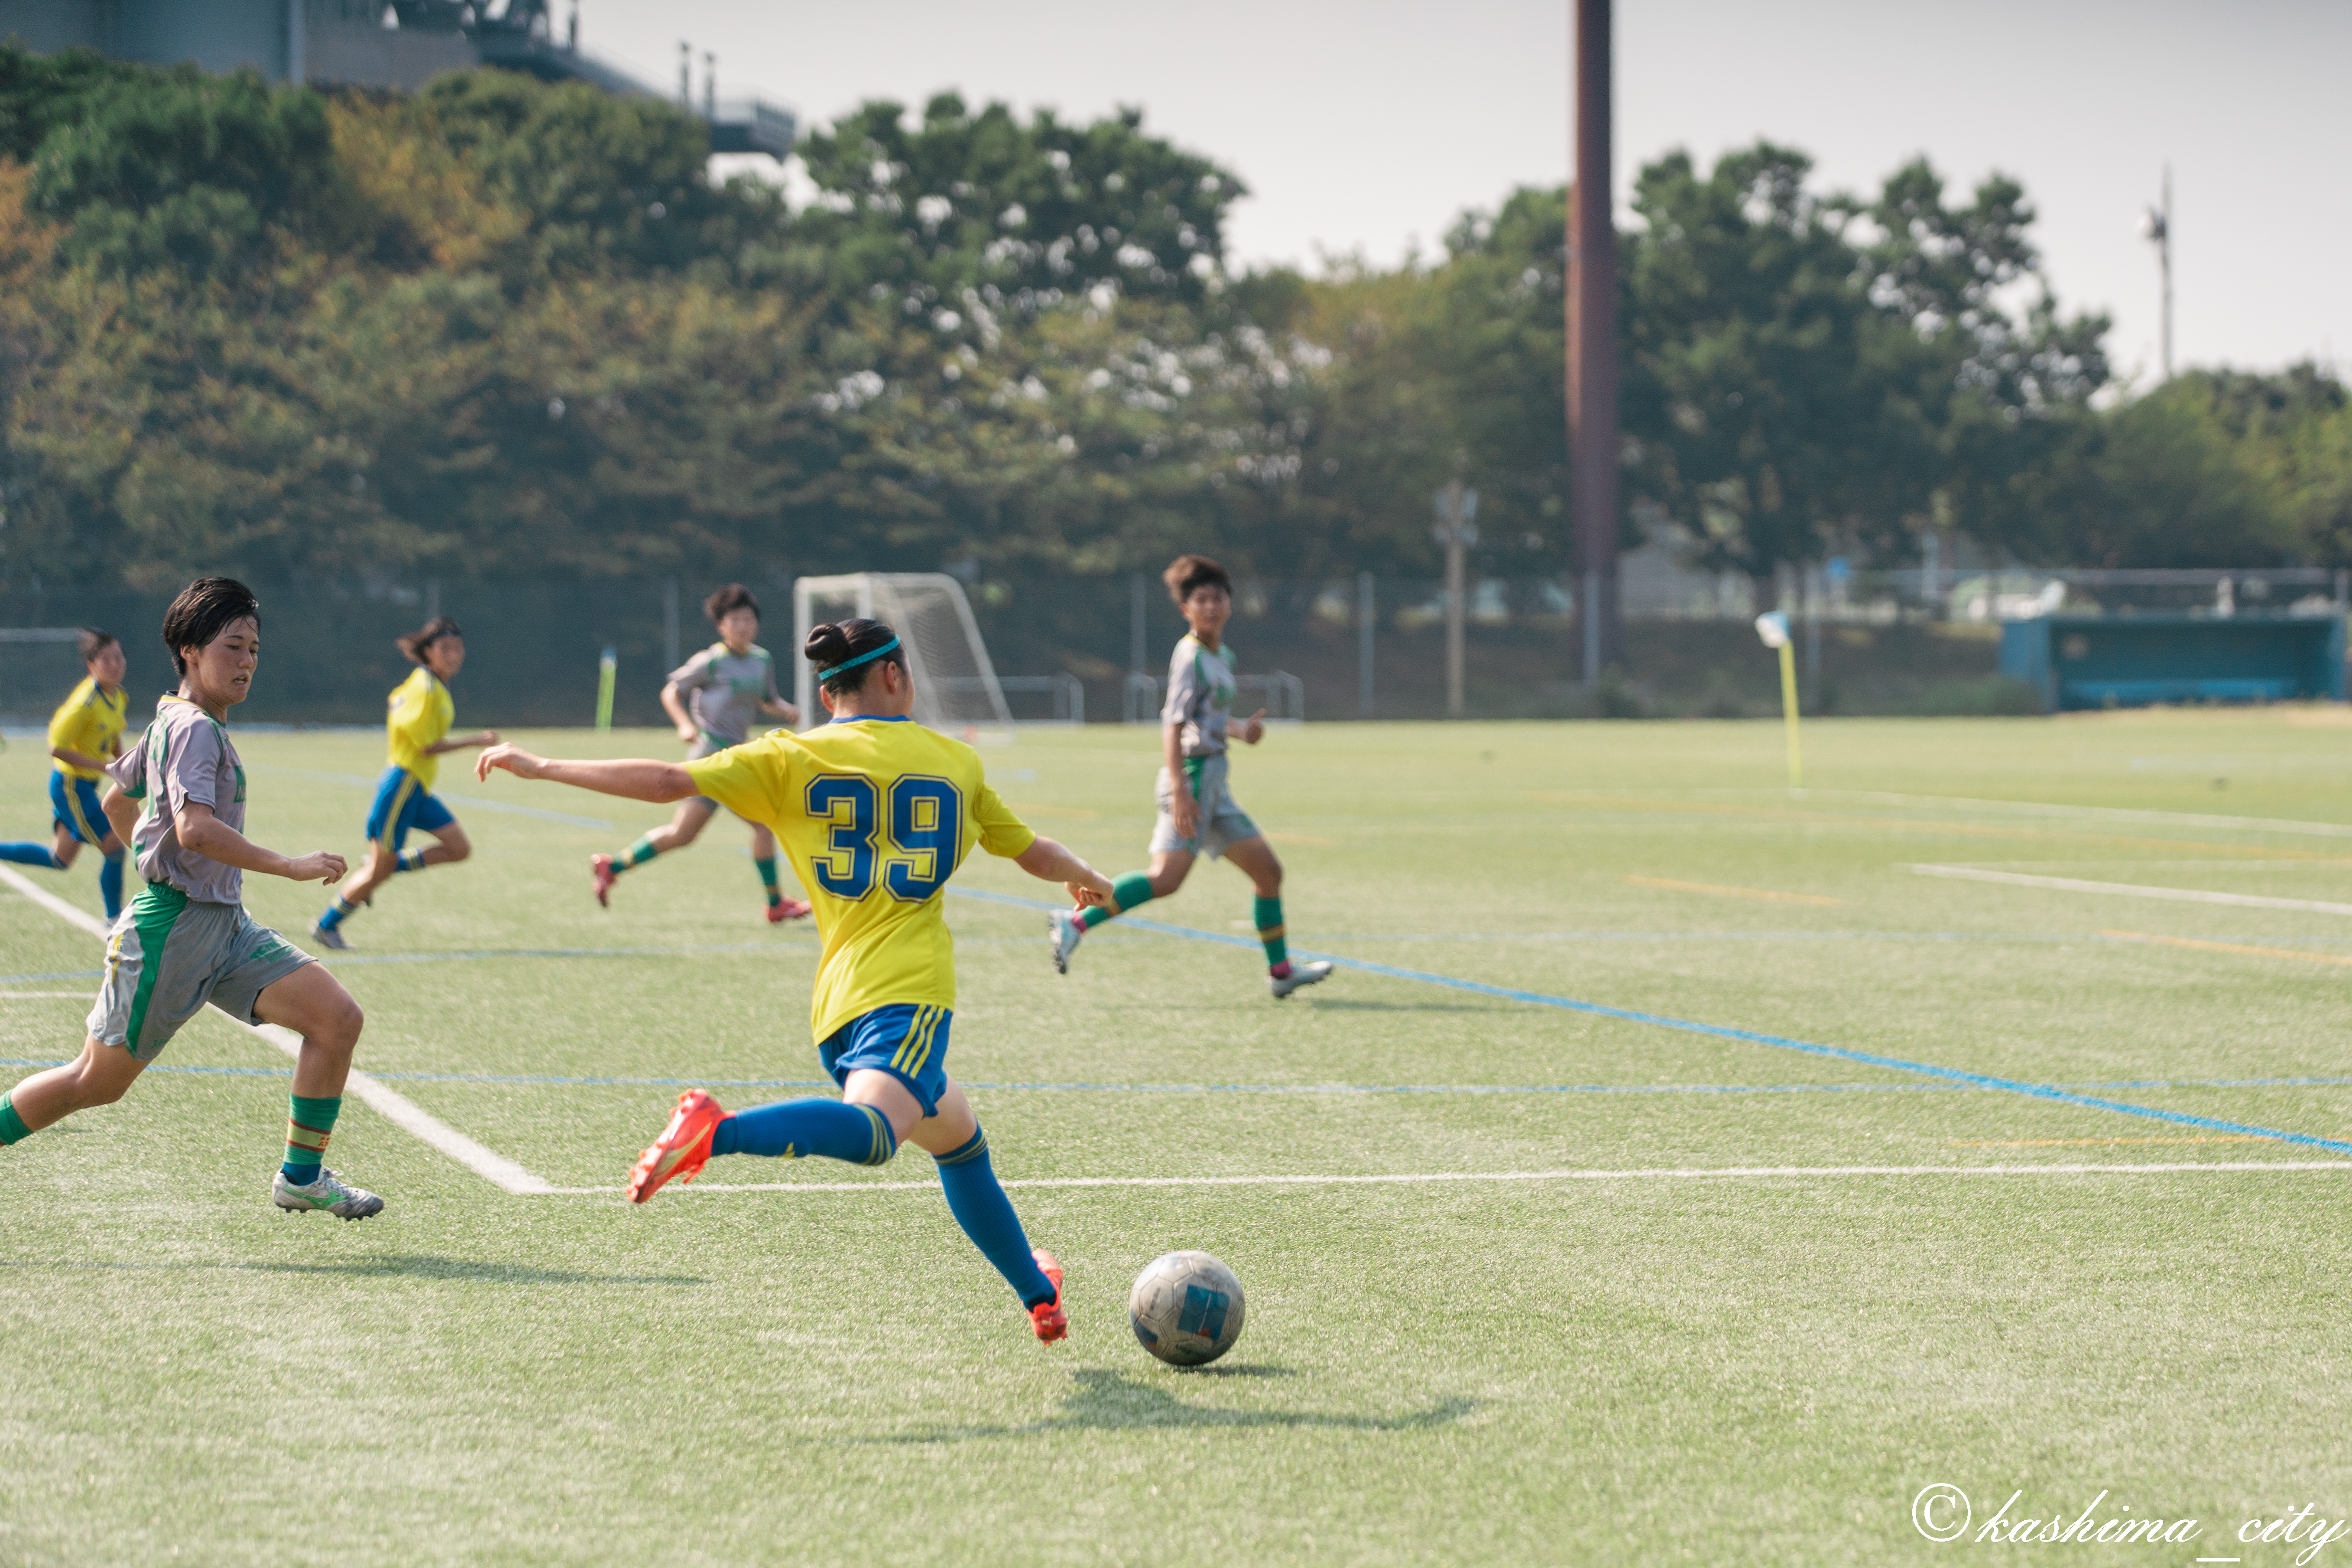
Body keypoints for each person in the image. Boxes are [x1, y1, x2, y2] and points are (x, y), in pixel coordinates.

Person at [477, 616, 1114, 1341]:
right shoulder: (954, 762)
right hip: (908, 991)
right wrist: (1087, 876)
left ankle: (1038, 1293)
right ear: (896, 675)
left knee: (959, 1141)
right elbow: (1030, 850)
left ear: (826, 690)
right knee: (876, 1134)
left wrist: (544, 765)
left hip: (838, 999)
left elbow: (665, 781)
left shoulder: (788, 757)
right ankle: (715, 1132)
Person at [0, 578, 383, 1219]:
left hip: (224, 926)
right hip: (175, 929)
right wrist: (287, 865)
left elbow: (116, 801)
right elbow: (195, 829)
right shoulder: (195, 729)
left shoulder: (172, 720)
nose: (247, 661)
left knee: (336, 1019)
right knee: (94, 1082)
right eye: (232, 646)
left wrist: (154, 855)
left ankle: (301, 1177)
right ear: (189, 650)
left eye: (254, 648)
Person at [1048, 554, 1333, 999]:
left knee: (1268, 872)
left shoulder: (1222, 655)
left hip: (1215, 784)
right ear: (1185, 609)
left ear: (1230, 604)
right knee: (1165, 878)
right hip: (1193, 778)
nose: (1211, 606)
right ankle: (1075, 922)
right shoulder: (1189, 656)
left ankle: (1280, 972)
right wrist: (1180, 788)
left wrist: (1242, 731)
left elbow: (1210, 719)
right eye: (1201, 599)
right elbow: (1173, 723)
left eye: (1218, 597)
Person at [589, 584, 811, 923]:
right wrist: (684, 725)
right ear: (721, 626)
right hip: (709, 754)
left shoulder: (761, 660)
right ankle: (775, 903)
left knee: (685, 834)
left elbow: (767, 700)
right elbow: (671, 692)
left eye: (749, 619)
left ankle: (613, 866)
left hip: (737, 756)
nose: (743, 626)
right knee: (759, 825)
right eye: (735, 619)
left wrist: (785, 710)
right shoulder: (710, 660)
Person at [310, 616, 496, 949]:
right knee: (379, 872)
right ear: (428, 652)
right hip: (402, 786)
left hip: (417, 789)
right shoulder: (426, 688)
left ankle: (385, 864)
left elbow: (395, 700)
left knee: (459, 848)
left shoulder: (430, 684)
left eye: (458, 648)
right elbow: (425, 746)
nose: (454, 655)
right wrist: (476, 740)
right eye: (445, 648)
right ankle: (326, 926)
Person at [0, 629, 132, 920]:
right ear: (91, 666)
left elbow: (112, 734)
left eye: (119, 657)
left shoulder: (118, 696)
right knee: (114, 848)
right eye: (106, 660)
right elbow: (56, 748)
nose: (115, 665)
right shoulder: (85, 703)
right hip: (71, 785)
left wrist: (122, 763)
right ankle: (114, 920)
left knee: (60, 859)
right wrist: (105, 767)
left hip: (83, 785)